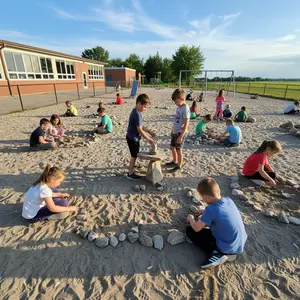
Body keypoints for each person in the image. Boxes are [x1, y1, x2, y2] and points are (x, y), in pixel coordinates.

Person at [186, 178, 247, 269]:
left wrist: (191, 219)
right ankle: (227, 252)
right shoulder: (228, 201)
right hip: (239, 243)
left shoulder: (211, 210)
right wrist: (204, 210)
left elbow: (196, 228)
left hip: (227, 247)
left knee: (190, 230)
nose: (202, 199)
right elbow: (221, 213)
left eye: (202, 197)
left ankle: (218, 253)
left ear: (208, 197)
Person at [126, 94, 156, 180]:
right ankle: (130, 173)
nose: (145, 109)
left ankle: (133, 166)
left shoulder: (135, 111)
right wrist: (149, 139)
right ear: (139, 104)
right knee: (134, 156)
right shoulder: (137, 114)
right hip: (133, 138)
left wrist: (149, 131)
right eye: (145, 107)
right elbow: (140, 130)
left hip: (131, 137)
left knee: (134, 154)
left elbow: (140, 126)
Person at [166, 88, 190, 172]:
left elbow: (186, 124)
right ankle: (174, 161)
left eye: (176, 101)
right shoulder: (179, 107)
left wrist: (181, 136)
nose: (175, 104)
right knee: (172, 147)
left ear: (182, 99)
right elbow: (177, 120)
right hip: (175, 131)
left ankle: (179, 165)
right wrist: (172, 130)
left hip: (180, 133)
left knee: (179, 150)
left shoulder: (185, 109)